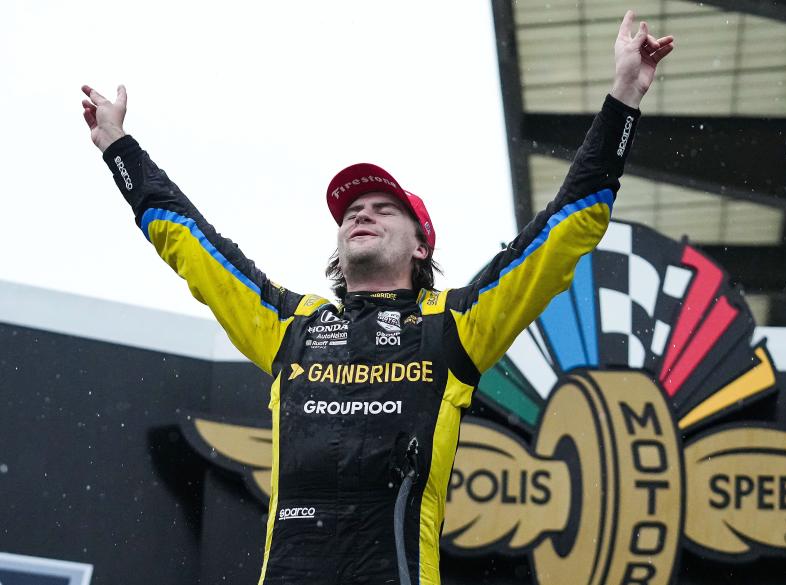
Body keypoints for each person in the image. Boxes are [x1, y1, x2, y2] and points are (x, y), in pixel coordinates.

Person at [82, 11, 672, 585]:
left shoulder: (457, 326)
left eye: (383, 208)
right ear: (338, 252)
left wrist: (623, 96)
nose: (361, 213)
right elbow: (192, 243)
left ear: (421, 247)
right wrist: (119, 149)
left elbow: (566, 226)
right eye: (351, 211)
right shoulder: (291, 327)